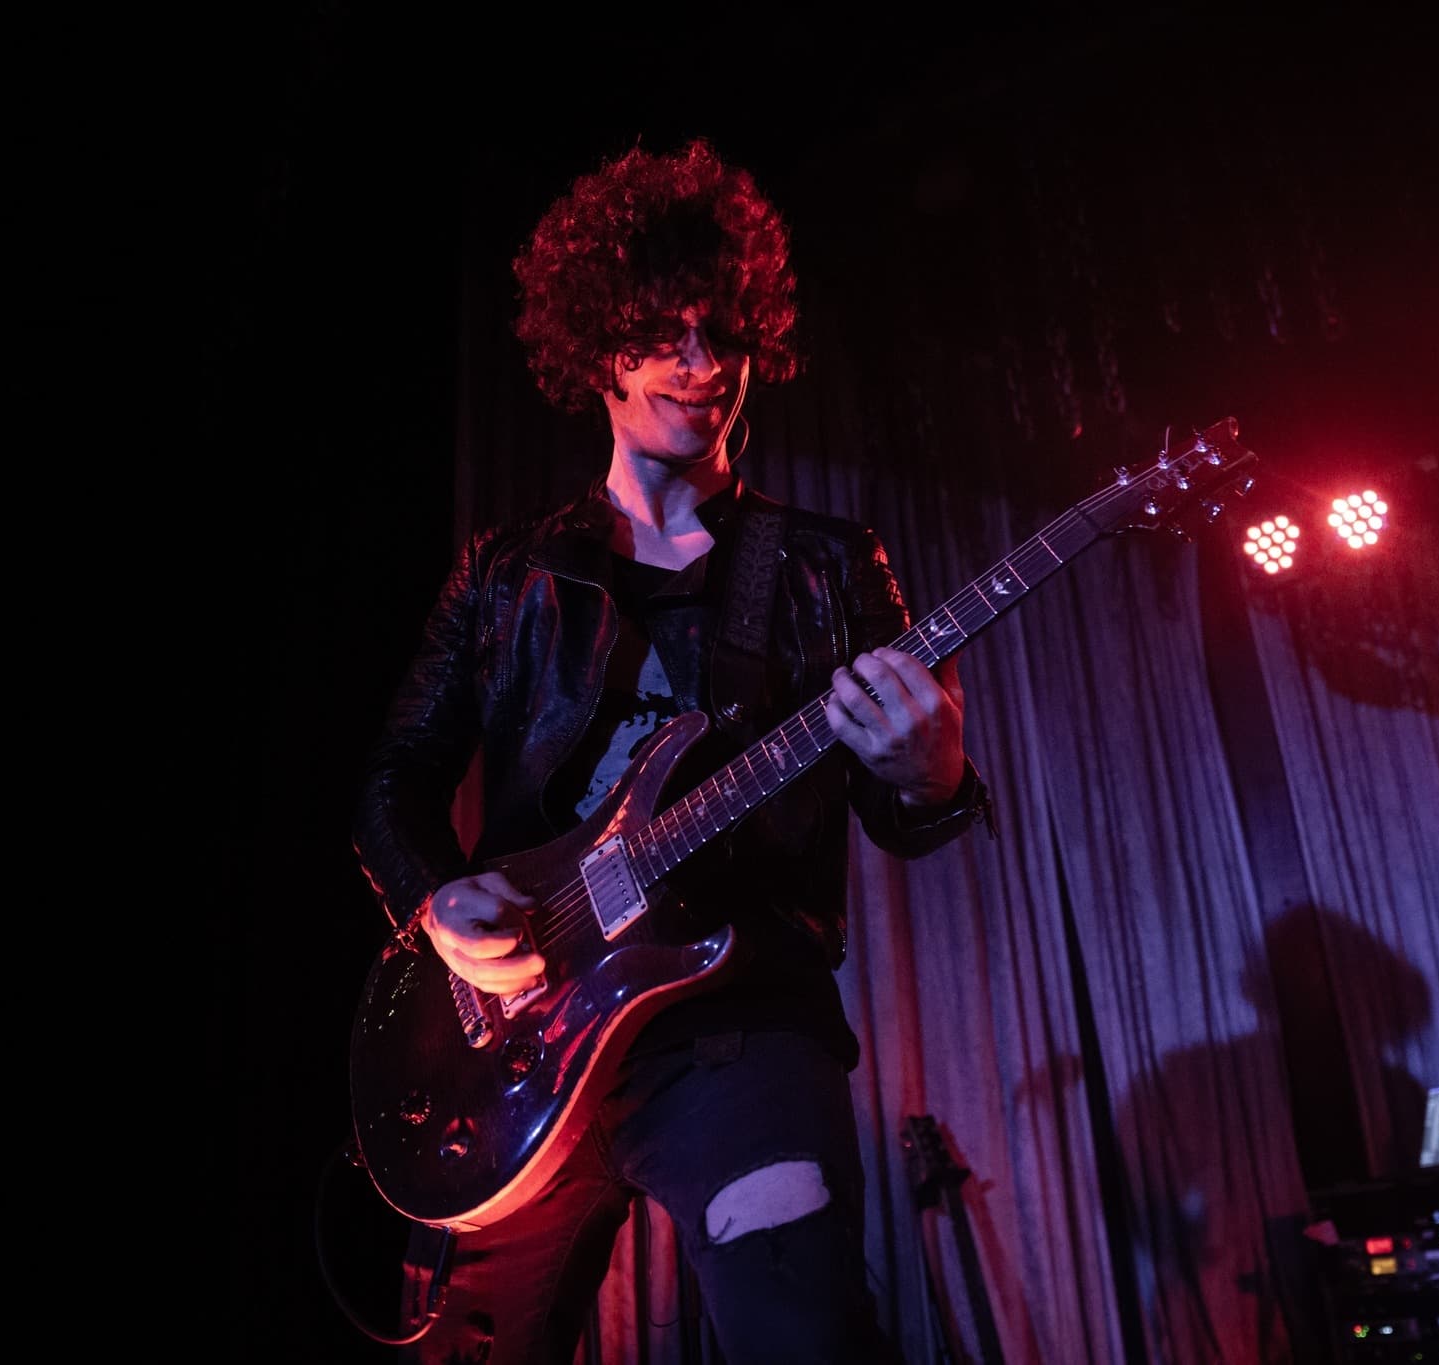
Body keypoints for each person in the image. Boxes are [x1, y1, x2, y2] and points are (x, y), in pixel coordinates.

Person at [351, 138, 993, 1364]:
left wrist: (934, 772)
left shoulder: (824, 564)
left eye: (724, 335)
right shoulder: (507, 573)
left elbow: (905, 811)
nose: (704, 369)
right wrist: (436, 902)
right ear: (597, 345)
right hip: (524, 1052)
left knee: (799, 1334)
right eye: (665, 335)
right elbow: (391, 786)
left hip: (738, 1027)